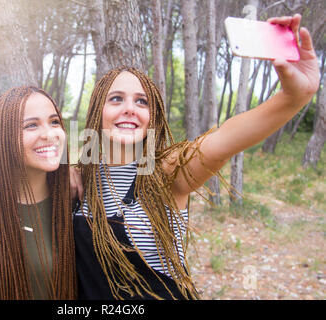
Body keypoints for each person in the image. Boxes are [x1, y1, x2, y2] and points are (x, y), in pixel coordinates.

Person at [73, 14, 320, 300]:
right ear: (95, 113)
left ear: (151, 118)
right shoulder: (79, 179)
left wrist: (293, 97)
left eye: (142, 101)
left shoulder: (164, 171)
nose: (130, 108)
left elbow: (224, 140)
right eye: (116, 99)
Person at [0, 86, 77, 299]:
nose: (49, 134)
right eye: (31, 125)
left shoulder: (73, 200)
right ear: (3, 136)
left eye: (54, 122)